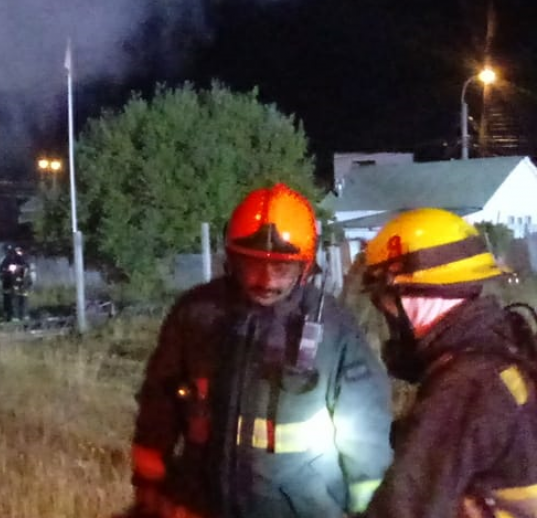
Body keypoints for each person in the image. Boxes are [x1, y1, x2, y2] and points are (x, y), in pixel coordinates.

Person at [122, 182, 392, 518]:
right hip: (201, 504)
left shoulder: (334, 329)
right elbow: (158, 401)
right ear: (232, 260)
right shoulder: (196, 313)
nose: (266, 280)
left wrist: (369, 507)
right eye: (253, 265)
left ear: (305, 266)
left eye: (281, 268)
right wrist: (150, 480)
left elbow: (366, 428)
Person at [360, 208, 537, 518]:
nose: (386, 316)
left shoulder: (465, 385)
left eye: (385, 300)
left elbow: (404, 509)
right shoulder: (501, 347)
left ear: (412, 292)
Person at [0, 245, 34, 321]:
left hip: (21, 283)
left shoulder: (21, 260)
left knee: (22, 299)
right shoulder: (8, 260)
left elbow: (27, 270)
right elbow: (3, 272)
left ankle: (23, 316)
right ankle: (16, 316)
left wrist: (26, 281)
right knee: (14, 300)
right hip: (13, 284)